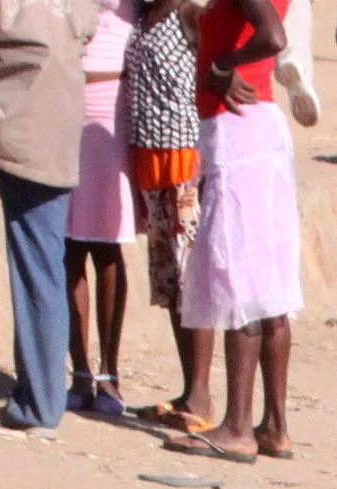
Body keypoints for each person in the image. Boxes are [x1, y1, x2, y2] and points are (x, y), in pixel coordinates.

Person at [162, 0, 297, 463]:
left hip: (238, 131)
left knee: (242, 279)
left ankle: (238, 426)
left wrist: (221, 67)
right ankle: (274, 425)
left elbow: (272, 37)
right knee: (270, 286)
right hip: (257, 129)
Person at [0, 0, 92, 431]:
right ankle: (43, 399)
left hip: (13, 129)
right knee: (44, 269)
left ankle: (39, 404)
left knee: (37, 269)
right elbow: (86, 32)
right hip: (59, 129)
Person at [123, 0, 212, 430]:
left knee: (191, 277)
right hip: (149, 160)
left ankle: (201, 394)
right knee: (172, 283)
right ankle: (189, 388)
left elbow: (218, 66)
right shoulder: (142, 16)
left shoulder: (187, 15)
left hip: (184, 161)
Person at [64, 0, 136, 414]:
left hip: (112, 106)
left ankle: (109, 374)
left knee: (107, 244)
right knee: (69, 244)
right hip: (62, 99)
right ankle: (80, 371)